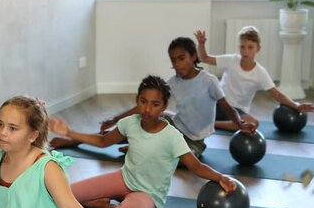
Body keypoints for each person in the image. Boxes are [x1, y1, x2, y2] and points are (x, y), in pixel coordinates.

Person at [49, 75, 238, 208]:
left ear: (164, 107)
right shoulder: (129, 123)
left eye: (155, 104)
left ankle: (101, 205)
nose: (147, 109)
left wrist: (219, 177)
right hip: (124, 179)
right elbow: (103, 141)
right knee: (66, 193)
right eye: (143, 101)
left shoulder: (172, 136)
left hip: (149, 194)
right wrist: (69, 132)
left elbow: (194, 165)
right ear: (137, 100)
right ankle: (106, 199)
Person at [50, 37, 256, 158]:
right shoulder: (173, 82)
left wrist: (238, 122)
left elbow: (226, 106)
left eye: (182, 58)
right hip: (172, 124)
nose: (177, 64)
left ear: (194, 57)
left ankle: (137, 146)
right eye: (173, 60)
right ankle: (74, 141)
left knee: (181, 159)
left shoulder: (208, 81)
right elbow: (145, 106)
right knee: (126, 128)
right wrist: (114, 119)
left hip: (193, 141)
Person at [194, 26, 314, 132]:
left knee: (252, 124)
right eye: (242, 47)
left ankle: (212, 124)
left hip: (237, 112)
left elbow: (277, 95)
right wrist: (201, 44)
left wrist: (296, 106)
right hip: (219, 104)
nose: (245, 51)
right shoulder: (231, 60)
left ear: (258, 49)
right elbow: (204, 58)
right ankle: (212, 121)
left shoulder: (260, 73)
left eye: (250, 47)